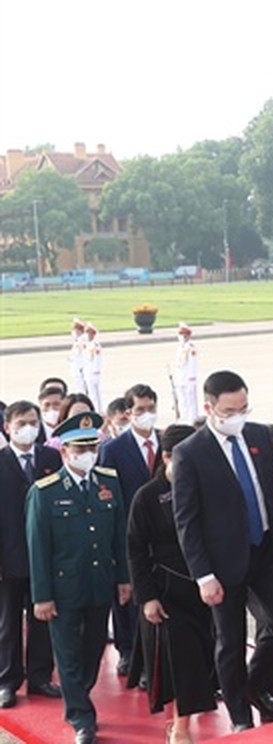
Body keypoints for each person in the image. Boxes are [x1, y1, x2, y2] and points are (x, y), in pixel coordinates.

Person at [170, 370, 273, 733]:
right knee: (229, 642)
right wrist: (203, 576)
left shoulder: (258, 435)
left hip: (265, 550)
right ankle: (240, 715)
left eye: (243, 407)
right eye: (230, 410)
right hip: (221, 562)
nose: (238, 416)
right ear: (210, 408)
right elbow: (187, 520)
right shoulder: (190, 453)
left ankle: (257, 685)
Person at [26, 411, 131, 744]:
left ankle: (78, 695)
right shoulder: (44, 491)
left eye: (92, 447)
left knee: (92, 650)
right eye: (80, 449)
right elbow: (37, 548)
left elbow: (119, 536)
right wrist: (41, 596)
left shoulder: (108, 481)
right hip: (63, 587)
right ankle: (81, 717)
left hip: (100, 583)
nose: (88, 454)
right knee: (68, 655)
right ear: (64, 452)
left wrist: (124, 578)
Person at [126, 424, 218, 744]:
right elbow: (136, 550)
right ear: (166, 457)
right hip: (168, 591)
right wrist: (147, 597)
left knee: (208, 655)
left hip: (206, 587)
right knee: (183, 662)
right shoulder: (147, 498)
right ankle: (179, 727)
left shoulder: (204, 487)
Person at [97, 383, 162, 679]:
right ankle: (128, 651)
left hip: (162, 534)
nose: (146, 415)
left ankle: (156, 655)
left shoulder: (167, 444)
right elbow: (106, 495)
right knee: (127, 594)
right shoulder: (113, 450)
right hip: (127, 532)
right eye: (140, 410)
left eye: (151, 409)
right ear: (128, 413)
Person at [0, 402, 62, 708]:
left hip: (46, 558)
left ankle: (40, 677)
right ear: (8, 427)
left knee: (43, 620)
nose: (29, 428)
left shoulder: (51, 458)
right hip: (9, 559)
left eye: (34, 422)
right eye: (22, 422)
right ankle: (8, 681)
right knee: (9, 623)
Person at [175, 323, 199, 424]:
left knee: (191, 400)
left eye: (183, 335)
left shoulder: (191, 348)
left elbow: (192, 364)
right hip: (181, 378)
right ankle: (185, 418)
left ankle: (192, 419)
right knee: (182, 400)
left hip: (189, 378)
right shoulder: (181, 348)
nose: (181, 337)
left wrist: (192, 378)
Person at [81, 323, 103, 410]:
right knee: (92, 393)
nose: (87, 335)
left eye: (89, 333)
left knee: (94, 394)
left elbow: (97, 359)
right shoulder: (88, 345)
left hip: (93, 372)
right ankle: (98, 409)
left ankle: (97, 409)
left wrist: (96, 370)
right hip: (88, 371)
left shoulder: (95, 346)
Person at [68, 318, 86, 392]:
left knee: (80, 383)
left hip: (79, 365)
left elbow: (76, 354)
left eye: (75, 330)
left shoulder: (82, 340)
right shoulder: (78, 340)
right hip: (77, 365)